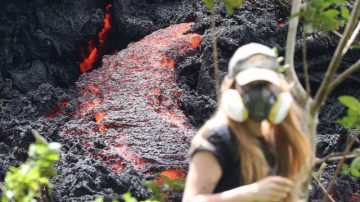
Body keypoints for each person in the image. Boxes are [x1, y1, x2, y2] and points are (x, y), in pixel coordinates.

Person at [182, 43, 312, 202]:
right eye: (250, 85)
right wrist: (250, 194)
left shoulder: (276, 139)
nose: (260, 94)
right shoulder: (218, 139)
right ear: (233, 88)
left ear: (278, 88)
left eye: (266, 85)